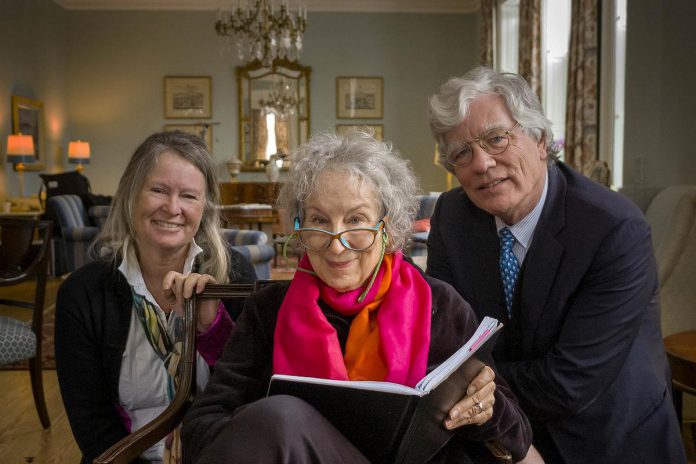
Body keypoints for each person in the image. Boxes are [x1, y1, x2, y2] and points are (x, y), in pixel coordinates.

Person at [182, 131, 533, 464]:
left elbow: (516, 436)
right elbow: (201, 428)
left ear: (388, 226)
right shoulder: (269, 310)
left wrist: (487, 410)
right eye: (319, 220)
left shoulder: (439, 305)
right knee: (282, 417)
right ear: (299, 227)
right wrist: (266, 429)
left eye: (356, 220)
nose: (337, 244)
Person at [426, 67, 685, 463]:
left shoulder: (614, 229)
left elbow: (569, 383)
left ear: (541, 140)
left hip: (605, 437)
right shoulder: (452, 215)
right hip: (498, 436)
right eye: (462, 153)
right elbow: (443, 338)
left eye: (496, 139)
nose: (482, 163)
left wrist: (473, 387)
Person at [55, 131, 257, 464]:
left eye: (188, 196)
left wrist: (211, 327)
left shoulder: (234, 275)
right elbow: (92, 426)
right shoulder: (81, 294)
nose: (172, 208)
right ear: (131, 195)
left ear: (204, 207)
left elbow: (250, 397)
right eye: (159, 190)